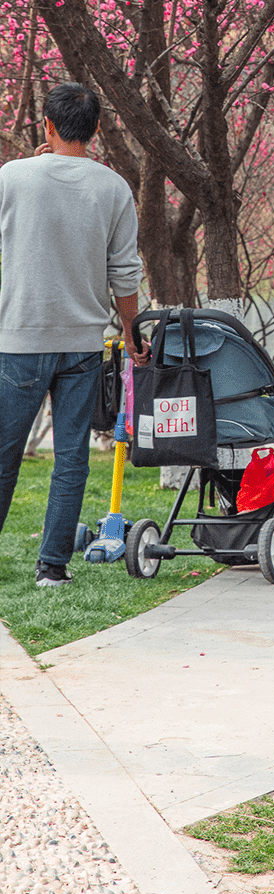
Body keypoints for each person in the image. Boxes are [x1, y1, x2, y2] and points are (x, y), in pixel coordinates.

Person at [0, 84, 149, 585]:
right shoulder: (112, 188)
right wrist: (131, 331)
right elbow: (125, 274)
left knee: (3, 455)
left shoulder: (12, 177)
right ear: (97, 129)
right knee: (71, 460)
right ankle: (51, 567)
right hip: (83, 345)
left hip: (19, 340)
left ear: (46, 125)